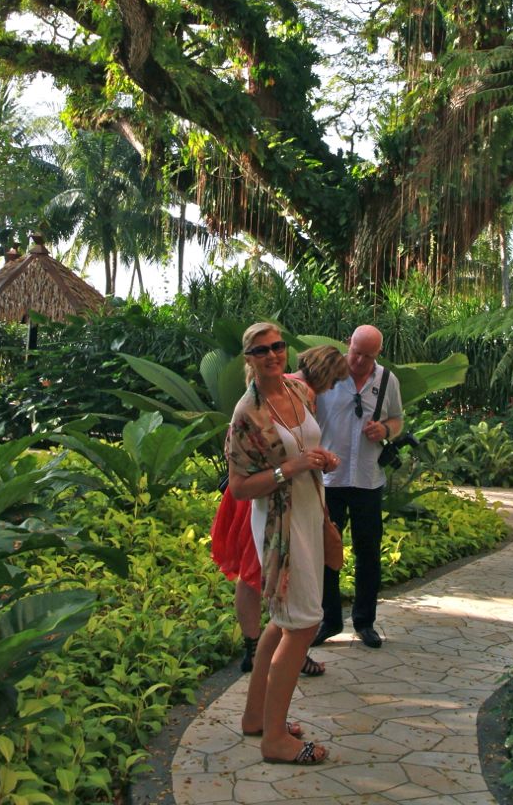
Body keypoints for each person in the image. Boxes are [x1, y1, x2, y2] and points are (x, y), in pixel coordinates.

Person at [225, 323, 340, 766]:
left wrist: (320, 459)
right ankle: (274, 739)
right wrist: (289, 469)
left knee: (282, 621)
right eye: (261, 350)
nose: (272, 355)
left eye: (277, 346)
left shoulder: (299, 392)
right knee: (303, 624)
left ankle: (256, 717)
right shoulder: (246, 414)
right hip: (279, 526)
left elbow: (304, 446)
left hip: (309, 512)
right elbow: (239, 488)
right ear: (249, 359)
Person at [211, 344, 349, 678]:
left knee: (252, 572)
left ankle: (257, 648)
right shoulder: (292, 391)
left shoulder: (287, 386)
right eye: (334, 381)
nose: (332, 389)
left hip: (269, 493)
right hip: (270, 496)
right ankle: (279, 649)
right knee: (260, 571)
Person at [313, 324, 403, 649]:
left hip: (367, 479)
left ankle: (365, 622)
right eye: (356, 352)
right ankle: (329, 620)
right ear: (348, 343)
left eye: (368, 355)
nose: (360, 361)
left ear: (378, 353)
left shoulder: (387, 380)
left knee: (368, 553)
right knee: (326, 551)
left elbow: (397, 419)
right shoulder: (326, 375)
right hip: (329, 480)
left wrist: (386, 430)